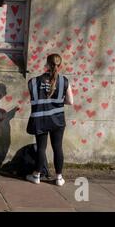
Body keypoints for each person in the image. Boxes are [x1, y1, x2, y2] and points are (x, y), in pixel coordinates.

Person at [25, 54, 73, 186]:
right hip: (57, 120)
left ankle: (36, 176)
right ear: (60, 65)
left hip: (40, 120)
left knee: (41, 148)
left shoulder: (33, 82)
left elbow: (34, 99)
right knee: (57, 148)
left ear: (46, 64)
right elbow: (70, 101)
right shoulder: (64, 81)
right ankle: (59, 178)